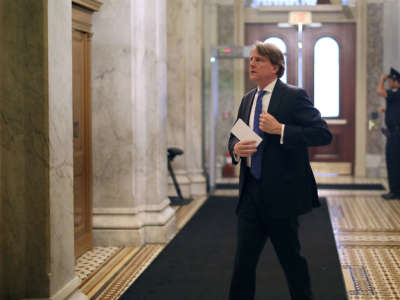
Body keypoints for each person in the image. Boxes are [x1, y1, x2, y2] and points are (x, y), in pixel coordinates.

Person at [227, 42, 332, 300]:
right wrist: (237, 148)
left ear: (276, 67)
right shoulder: (248, 99)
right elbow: (234, 137)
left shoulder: (294, 96)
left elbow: (322, 133)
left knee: (291, 261)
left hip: (282, 196)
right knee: (243, 263)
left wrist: (281, 130)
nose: (251, 64)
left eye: (259, 60)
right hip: (251, 193)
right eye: (251, 59)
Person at [377, 67, 400, 200]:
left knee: (393, 162)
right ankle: (396, 190)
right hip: (395, 133)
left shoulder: (396, 92)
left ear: (396, 81)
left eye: (390, 80)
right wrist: (387, 111)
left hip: (396, 135)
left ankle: (394, 191)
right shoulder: (396, 94)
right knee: (395, 162)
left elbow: (380, 91)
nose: (389, 83)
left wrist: (382, 79)